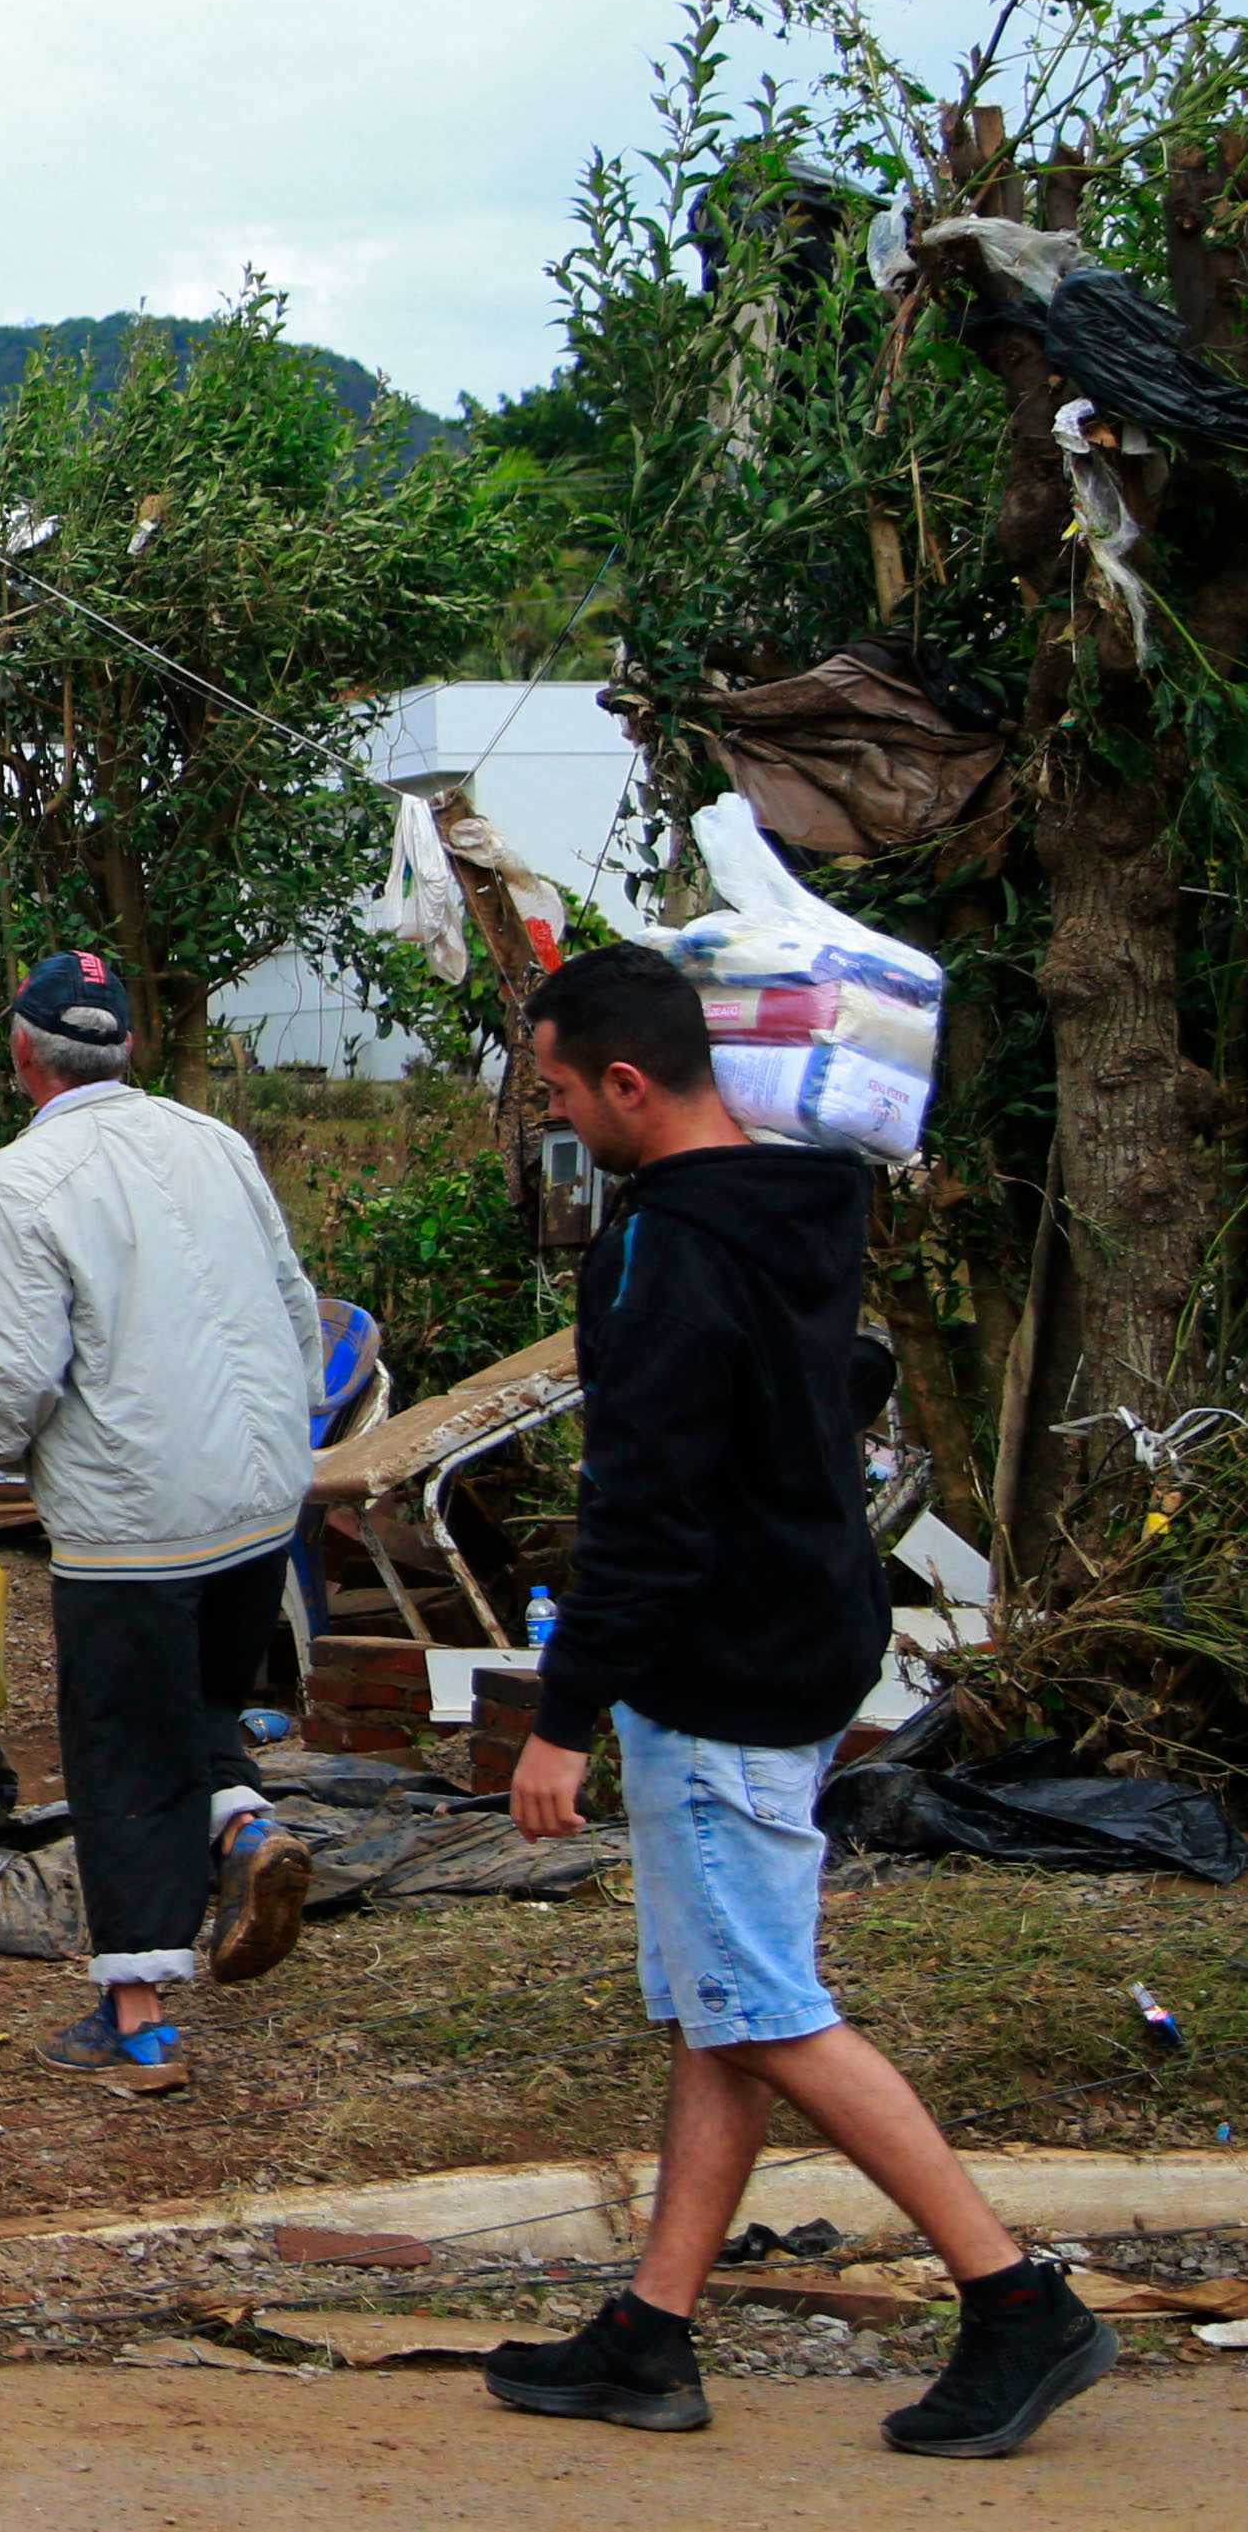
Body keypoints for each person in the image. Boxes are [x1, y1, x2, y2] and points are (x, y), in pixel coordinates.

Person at [481, 941, 1112, 2457]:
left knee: (763, 2008)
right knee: (727, 2004)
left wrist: (561, 1719)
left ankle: (1014, 2298)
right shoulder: (796, 1198)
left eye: (558, 1091)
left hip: (719, 1668)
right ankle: (649, 2330)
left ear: (626, 1082)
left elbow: (644, 1506)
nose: (555, 1116)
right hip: (803, 1631)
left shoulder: (663, 1250)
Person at [0, 949, 325, 2093]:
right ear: (127, 1046)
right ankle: (244, 1831)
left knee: (123, 1746)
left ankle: (137, 2022)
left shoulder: (19, 1181)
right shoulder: (215, 1142)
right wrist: (278, 1441)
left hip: (134, 1520)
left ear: (20, 1052)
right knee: (194, 1702)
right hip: (256, 1498)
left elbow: (13, 1379)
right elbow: (295, 1305)